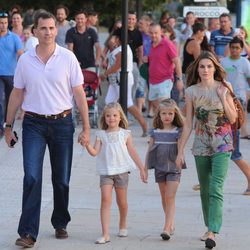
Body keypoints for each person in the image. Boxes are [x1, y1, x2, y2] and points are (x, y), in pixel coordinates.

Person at [5, 11, 90, 248]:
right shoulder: (25, 60)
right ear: (35, 31)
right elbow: (16, 93)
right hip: (33, 124)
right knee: (31, 176)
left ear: (56, 29)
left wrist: (86, 127)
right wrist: (8, 126)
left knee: (61, 179)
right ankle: (28, 232)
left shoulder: (68, 58)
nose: (48, 32)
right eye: (43, 28)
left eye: (52, 28)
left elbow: (79, 94)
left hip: (62, 124)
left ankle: (60, 221)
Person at [176, 51, 237, 249]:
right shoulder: (191, 91)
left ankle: (213, 230)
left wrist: (223, 96)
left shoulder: (224, 87)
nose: (205, 70)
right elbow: (188, 124)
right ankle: (208, 226)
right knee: (205, 190)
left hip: (222, 143)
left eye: (209, 66)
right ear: (198, 69)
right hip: (201, 144)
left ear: (215, 68)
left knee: (216, 188)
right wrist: (180, 150)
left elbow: (233, 118)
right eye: (202, 66)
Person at [85, 102, 147, 244]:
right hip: (106, 172)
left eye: (114, 115)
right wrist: (87, 144)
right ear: (104, 118)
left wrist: (142, 169)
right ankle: (105, 234)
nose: (111, 118)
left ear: (120, 117)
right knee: (105, 199)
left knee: (122, 202)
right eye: (108, 115)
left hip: (121, 172)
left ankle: (123, 224)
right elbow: (94, 152)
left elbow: (132, 151)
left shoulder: (125, 134)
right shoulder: (101, 134)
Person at [145, 99, 186, 241]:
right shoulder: (155, 131)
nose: (167, 116)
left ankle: (166, 228)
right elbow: (149, 150)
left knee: (170, 196)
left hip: (174, 168)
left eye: (170, 113)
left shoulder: (178, 131)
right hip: (159, 167)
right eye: (164, 113)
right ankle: (170, 223)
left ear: (175, 114)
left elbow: (181, 147)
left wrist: (180, 156)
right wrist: (144, 168)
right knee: (164, 196)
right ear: (159, 114)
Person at [101, 28, 148, 136]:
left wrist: (105, 74)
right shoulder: (119, 48)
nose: (111, 38)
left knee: (128, 104)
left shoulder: (123, 49)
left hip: (121, 79)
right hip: (115, 81)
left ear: (118, 38)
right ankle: (109, 128)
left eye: (114, 36)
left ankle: (144, 125)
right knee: (109, 102)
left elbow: (118, 65)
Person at [221, 37, 250, 195]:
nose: (234, 50)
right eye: (232, 47)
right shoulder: (224, 62)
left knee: (234, 152)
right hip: (224, 103)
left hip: (238, 102)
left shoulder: (245, 63)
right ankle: (208, 181)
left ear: (241, 49)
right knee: (217, 147)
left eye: (237, 48)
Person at [148, 23, 183, 113]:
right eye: (151, 33)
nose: (153, 35)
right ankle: (162, 125)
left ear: (161, 32)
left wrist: (179, 79)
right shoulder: (151, 44)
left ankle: (169, 126)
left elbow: (177, 61)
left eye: (156, 33)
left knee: (164, 107)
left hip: (165, 80)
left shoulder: (167, 44)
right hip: (152, 81)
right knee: (157, 108)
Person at [0, 11, 23, 137]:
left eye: (4, 23)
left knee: (11, 101)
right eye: (0, 23)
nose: (3, 25)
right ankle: (0, 127)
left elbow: (20, 53)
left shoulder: (14, 37)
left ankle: (9, 124)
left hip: (11, 74)